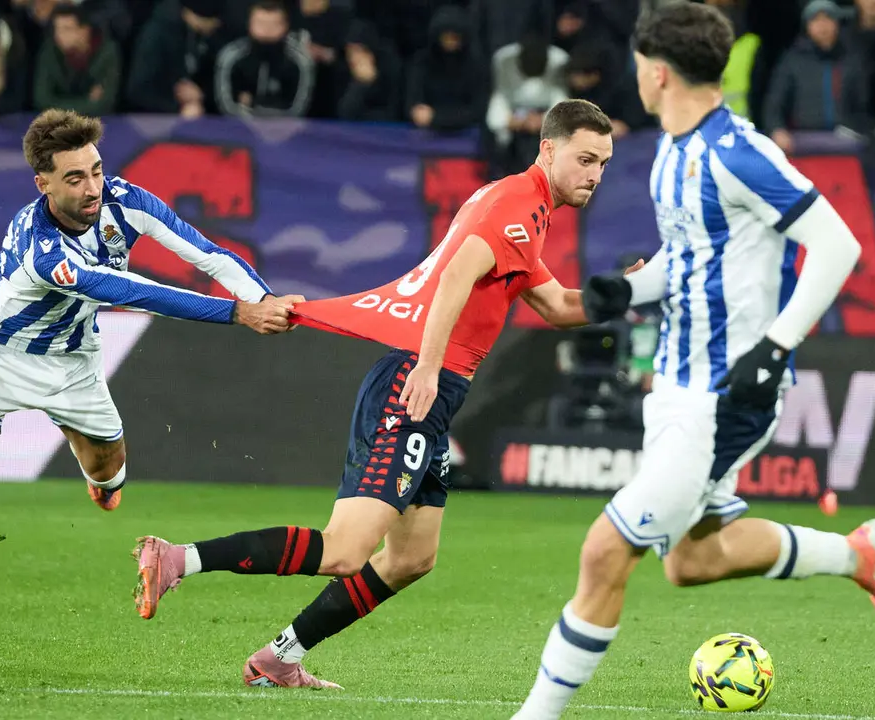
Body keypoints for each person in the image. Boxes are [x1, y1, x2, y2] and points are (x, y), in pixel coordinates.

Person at [131, 99, 620, 689]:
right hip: (417, 384)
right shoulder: (516, 205)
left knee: (412, 557)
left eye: (603, 163)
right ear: (548, 148)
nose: (594, 174)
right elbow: (453, 281)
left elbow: (560, 305)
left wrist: (634, 289)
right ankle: (177, 558)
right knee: (345, 551)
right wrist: (429, 369)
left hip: (432, 391)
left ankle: (277, 659)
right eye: (585, 158)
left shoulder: (528, 210)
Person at [511, 6, 875, 718]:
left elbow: (838, 244)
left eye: (638, 66)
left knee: (604, 552)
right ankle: (857, 557)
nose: (637, 77)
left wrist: (776, 344)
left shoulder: (737, 152)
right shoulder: (673, 150)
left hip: (721, 395)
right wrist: (628, 289)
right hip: (679, 385)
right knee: (691, 560)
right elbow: (690, 259)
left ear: (658, 73)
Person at [0, 109, 301, 656]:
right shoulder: (43, 249)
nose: (92, 186)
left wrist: (264, 299)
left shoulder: (124, 199)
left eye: (95, 170)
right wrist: (238, 314)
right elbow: (134, 290)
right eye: (74, 178)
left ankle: (91, 463)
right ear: (42, 184)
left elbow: (205, 253)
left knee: (110, 474)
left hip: (74, 364)